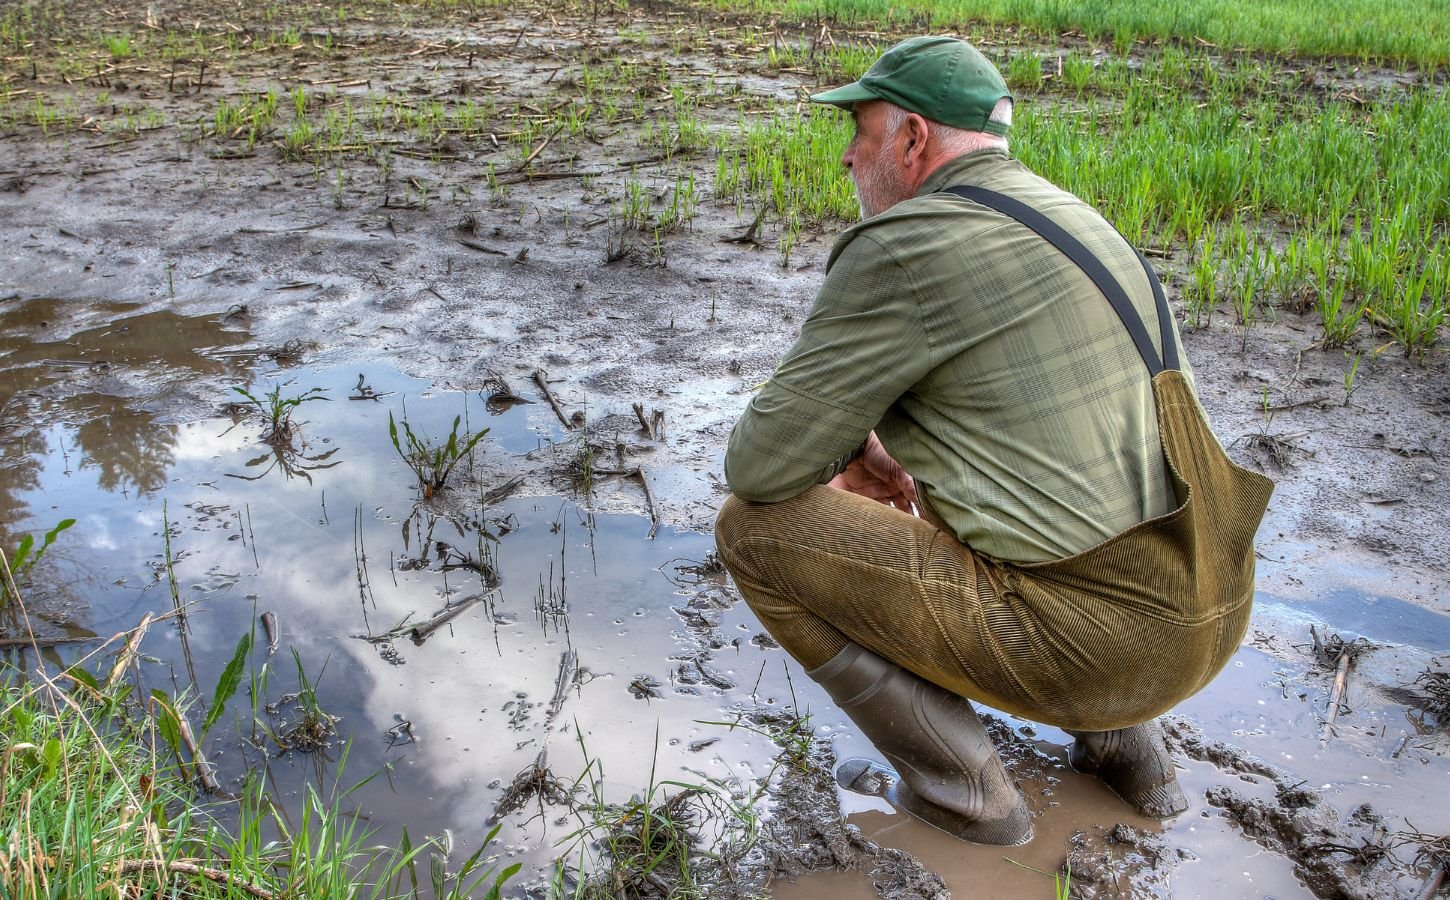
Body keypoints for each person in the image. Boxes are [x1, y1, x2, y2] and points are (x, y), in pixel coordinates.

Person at [714, 36, 1273, 846]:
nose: (846, 156)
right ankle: (1128, 753)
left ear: (912, 141)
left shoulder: (908, 244)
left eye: (860, 132)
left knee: (751, 529)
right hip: (1214, 611)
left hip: (1108, 650)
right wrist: (886, 446)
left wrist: (841, 447)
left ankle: (967, 800)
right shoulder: (1072, 216)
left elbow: (760, 465)